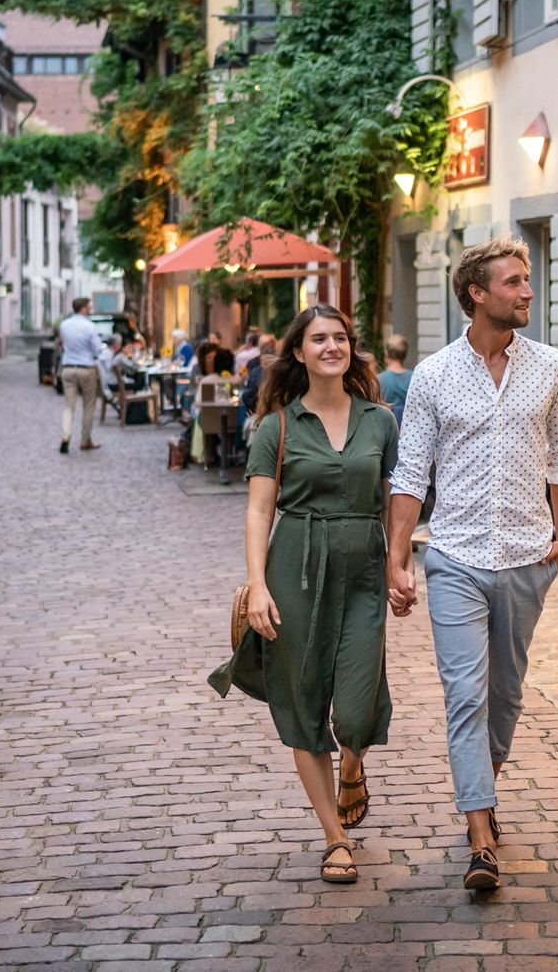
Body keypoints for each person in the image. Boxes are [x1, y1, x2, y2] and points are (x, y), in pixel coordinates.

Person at [385, 237, 558, 892]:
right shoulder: (434, 375)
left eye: (527, 280)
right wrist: (397, 557)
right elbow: (411, 472)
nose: (527, 291)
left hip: (527, 556)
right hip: (455, 558)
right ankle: (479, 836)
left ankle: (482, 789)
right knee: (464, 695)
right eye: (514, 281)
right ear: (476, 293)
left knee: (505, 695)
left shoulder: (550, 367)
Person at [209, 305, 401, 886]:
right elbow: (258, 510)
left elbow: (396, 500)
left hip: (363, 572)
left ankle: (353, 766)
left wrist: (400, 563)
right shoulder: (278, 427)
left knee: (357, 706)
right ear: (299, 351)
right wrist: (258, 584)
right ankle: (335, 838)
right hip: (295, 569)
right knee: (303, 699)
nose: (332, 347)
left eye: (340, 337)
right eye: (319, 339)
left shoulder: (380, 421)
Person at [56, 297, 104, 454]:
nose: (90, 309)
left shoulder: (64, 325)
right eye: (89, 307)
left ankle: (66, 436)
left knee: (68, 406)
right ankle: (85, 440)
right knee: (88, 405)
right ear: (83, 308)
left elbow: (63, 343)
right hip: (86, 368)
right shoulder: (89, 326)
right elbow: (97, 349)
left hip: (68, 368)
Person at [378, 334, 412, 428]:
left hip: (388, 427)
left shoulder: (379, 379)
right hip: (408, 427)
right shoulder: (413, 376)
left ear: (386, 353)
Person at [241, 336, 278, 415]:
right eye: (265, 345)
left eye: (271, 345)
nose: (268, 347)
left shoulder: (256, 370)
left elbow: (247, 394)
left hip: (261, 410)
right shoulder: (252, 364)